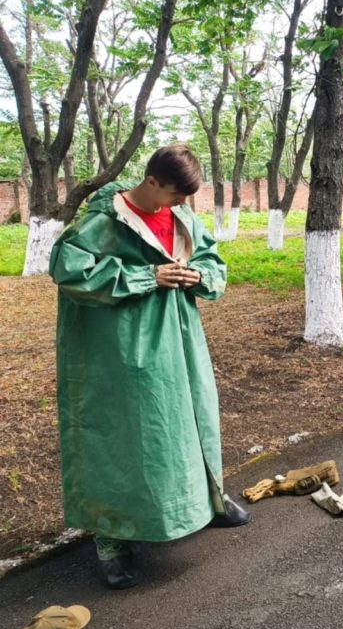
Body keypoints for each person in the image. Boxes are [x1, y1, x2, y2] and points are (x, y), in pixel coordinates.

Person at [49, 145, 249, 590]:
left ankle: (208, 500)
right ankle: (111, 535)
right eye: (175, 194)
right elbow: (67, 270)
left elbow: (212, 259)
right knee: (125, 432)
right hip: (122, 345)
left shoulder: (180, 214)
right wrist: (148, 276)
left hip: (181, 338)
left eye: (186, 197)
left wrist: (198, 275)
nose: (181, 203)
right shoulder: (104, 219)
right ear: (152, 180)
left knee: (191, 419)